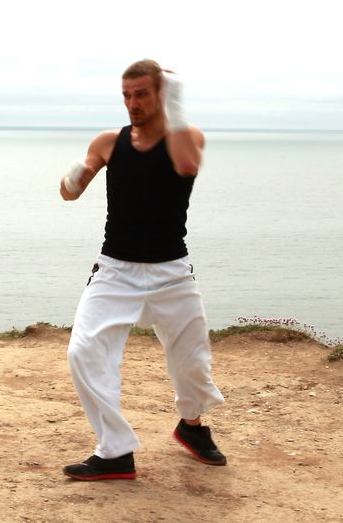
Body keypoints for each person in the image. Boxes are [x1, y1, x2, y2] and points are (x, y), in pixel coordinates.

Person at [59, 59, 226, 481]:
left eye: (141, 94)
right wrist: (80, 172)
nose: (132, 103)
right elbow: (68, 194)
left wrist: (177, 106)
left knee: (191, 361)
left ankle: (191, 427)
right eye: (126, 95)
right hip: (116, 269)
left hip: (171, 270)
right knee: (83, 351)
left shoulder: (185, 137)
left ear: (161, 95)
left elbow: (186, 165)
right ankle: (115, 451)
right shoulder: (109, 142)